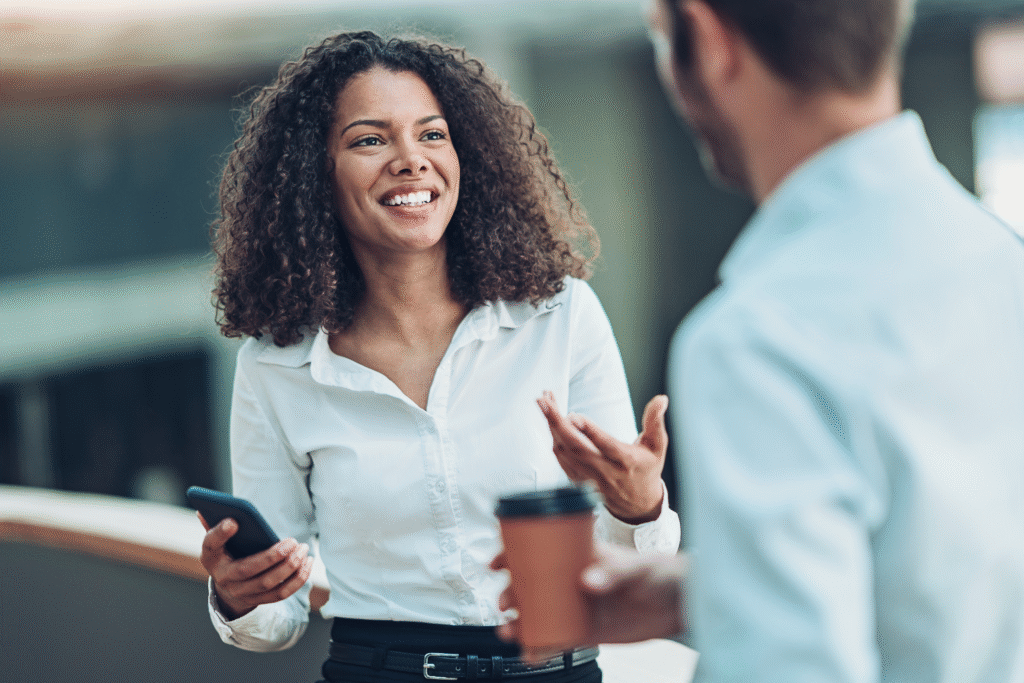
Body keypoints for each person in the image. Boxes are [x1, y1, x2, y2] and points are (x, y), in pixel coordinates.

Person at [496, 0, 1024, 681]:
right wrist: (709, 592)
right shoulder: (1002, 262)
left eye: (664, 42)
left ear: (710, 39)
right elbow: (953, 571)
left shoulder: (756, 338)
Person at [197, 30, 681, 683]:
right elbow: (277, 616)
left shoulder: (559, 315)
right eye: (370, 140)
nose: (410, 160)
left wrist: (640, 504)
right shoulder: (277, 365)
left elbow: (628, 568)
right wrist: (239, 593)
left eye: (432, 134)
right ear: (316, 174)